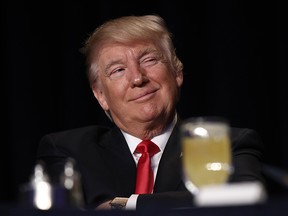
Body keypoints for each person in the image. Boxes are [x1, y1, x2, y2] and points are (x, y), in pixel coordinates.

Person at [36, 14, 265, 210]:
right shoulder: (69, 151)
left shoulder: (224, 143)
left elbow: (243, 200)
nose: (137, 78)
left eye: (149, 60)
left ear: (177, 73)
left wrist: (126, 205)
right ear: (100, 95)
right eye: (118, 70)